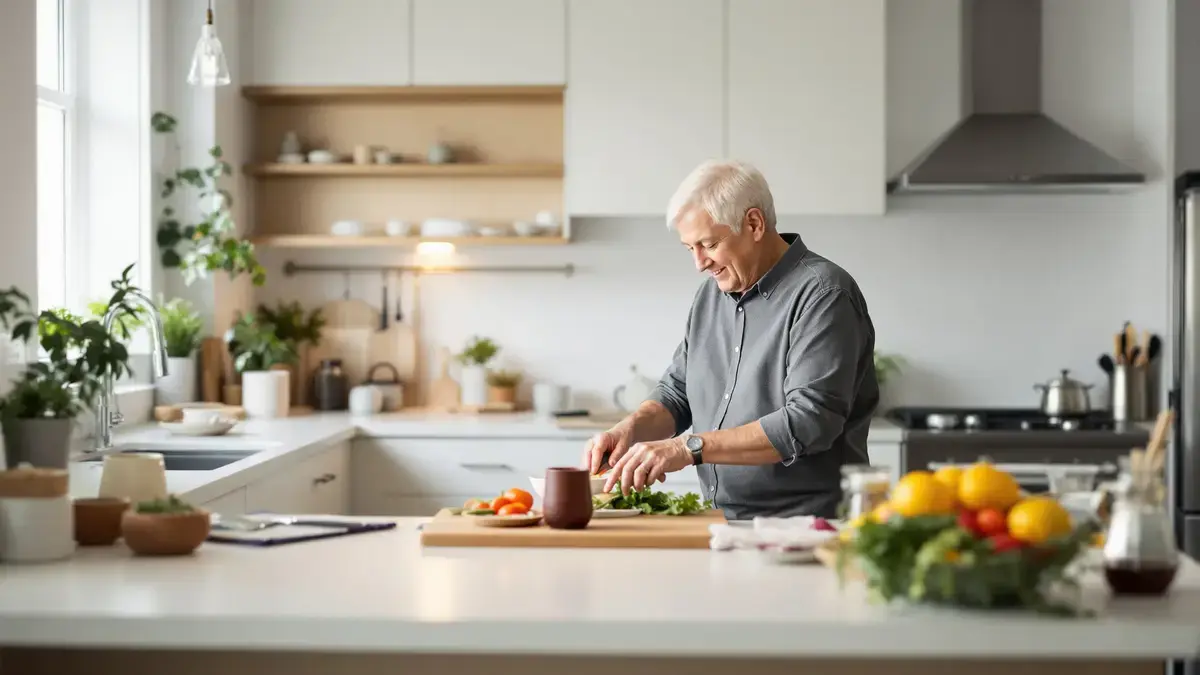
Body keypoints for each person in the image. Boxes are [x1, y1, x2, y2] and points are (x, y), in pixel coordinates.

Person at [581, 159, 879, 520]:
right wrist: (629, 430)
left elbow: (809, 422)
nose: (699, 263)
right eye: (690, 248)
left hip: (808, 525)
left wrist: (687, 447)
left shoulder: (823, 294)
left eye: (708, 244)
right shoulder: (710, 297)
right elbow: (678, 393)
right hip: (723, 519)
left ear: (754, 223)